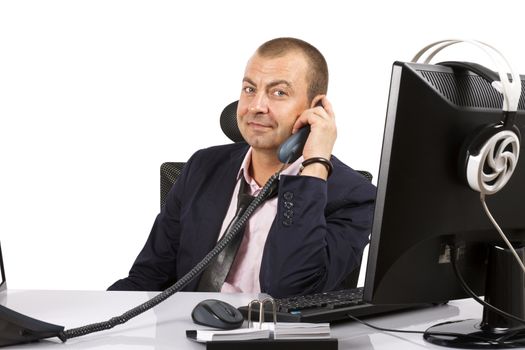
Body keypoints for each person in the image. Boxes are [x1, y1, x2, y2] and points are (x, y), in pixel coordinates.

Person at [108, 37, 376, 298]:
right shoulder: (202, 167)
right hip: (188, 333)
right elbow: (147, 279)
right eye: (249, 89)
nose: (256, 106)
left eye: (278, 93)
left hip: (281, 339)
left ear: (315, 108)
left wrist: (316, 164)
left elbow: (292, 293)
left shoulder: (356, 197)